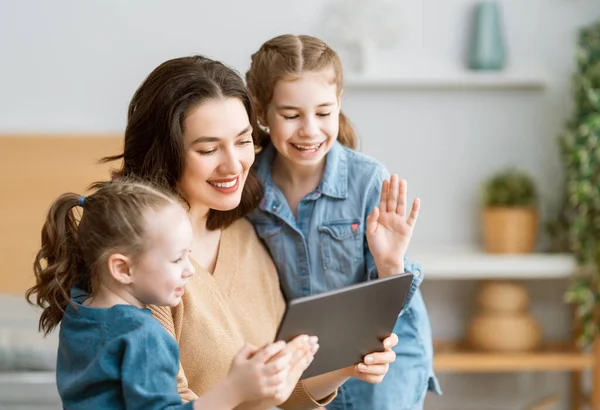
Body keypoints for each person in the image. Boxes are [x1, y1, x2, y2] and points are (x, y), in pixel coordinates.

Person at [100, 55, 400, 410]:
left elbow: (282, 391)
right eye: (209, 149)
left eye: (243, 142)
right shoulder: (141, 263)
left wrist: (350, 364)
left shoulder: (247, 232)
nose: (234, 165)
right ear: (163, 153)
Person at [245, 34, 441, 410]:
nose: (309, 130)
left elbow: (390, 298)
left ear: (339, 104)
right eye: (291, 115)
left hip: (381, 356)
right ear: (261, 112)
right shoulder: (250, 187)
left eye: (323, 113)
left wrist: (389, 264)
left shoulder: (367, 181)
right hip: (310, 363)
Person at [25, 180, 298, 409]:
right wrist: (234, 389)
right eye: (177, 259)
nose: (190, 270)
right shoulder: (143, 336)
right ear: (122, 268)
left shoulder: (79, 310)